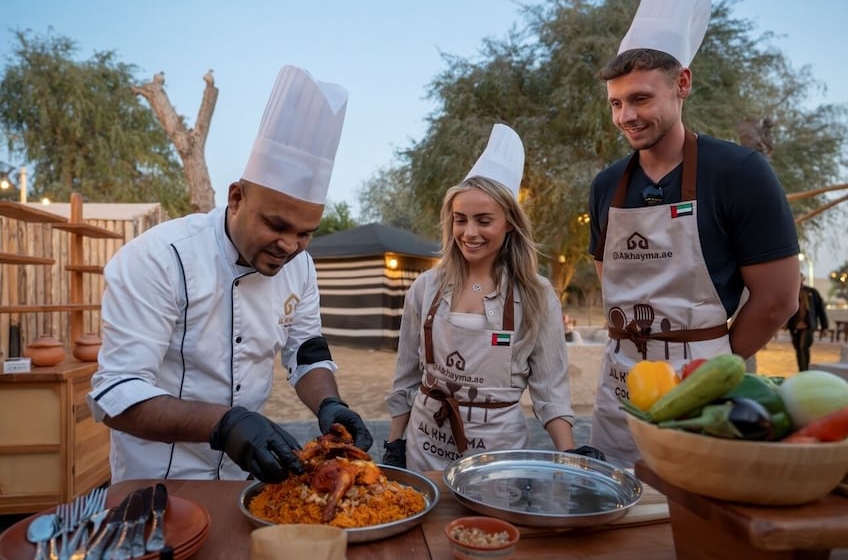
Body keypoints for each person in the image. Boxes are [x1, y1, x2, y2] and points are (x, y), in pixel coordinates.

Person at [87, 66, 373, 483]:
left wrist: (330, 404)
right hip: (159, 481)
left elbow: (306, 350)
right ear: (236, 198)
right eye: (276, 225)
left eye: (305, 233)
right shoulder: (158, 259)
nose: (289, 246)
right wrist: (224, 424)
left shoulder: (301, 266)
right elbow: (117, 396)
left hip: (243, 478)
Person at [587, 0, 800, 467]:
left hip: (701, 388)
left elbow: (778, 300)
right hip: (620, 389)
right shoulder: (606, 186)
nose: (626, 117)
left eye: (641, 99)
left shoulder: (739, 172)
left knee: (693, 500)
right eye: (616, 103)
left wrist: (711, 366)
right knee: (616, 500)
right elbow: (612, 283)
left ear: (682, 83)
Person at [383, 123, 599, 472]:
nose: (469, 233)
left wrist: (571, 452)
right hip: (425, 447)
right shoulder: (426, 288)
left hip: (498, 457)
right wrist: (395, 444)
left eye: (484, 221)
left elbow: (550, 391)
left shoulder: (536, 296)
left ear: (510, 222)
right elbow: (406, 377)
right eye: (460, 220)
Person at [787, 274, 829, 371]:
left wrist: (824, 327)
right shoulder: (789, 292)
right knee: (798, 348)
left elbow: (820, 310)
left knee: (803, 347)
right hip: (794, 326)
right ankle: (802, 369)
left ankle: (804, 370)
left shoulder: (812, 292)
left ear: (803, 279)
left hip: (808, 325)